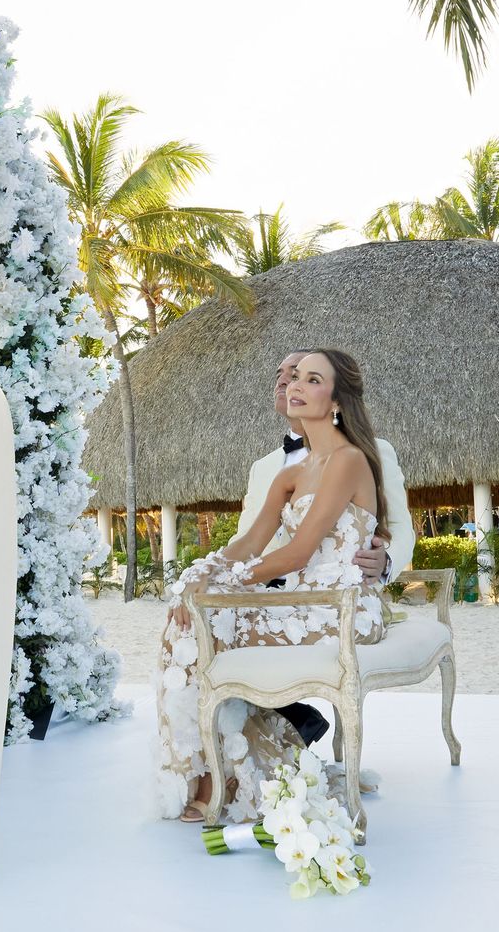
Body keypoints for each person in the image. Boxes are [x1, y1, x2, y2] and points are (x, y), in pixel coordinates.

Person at [156, 350, 394, 824]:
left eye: (311, 379)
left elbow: (301, 551)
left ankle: (215, 775)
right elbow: (248, 540)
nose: (294, 385)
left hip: (340, 603)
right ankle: (217, 765)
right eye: (292, 378)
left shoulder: (349, 460)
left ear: (337, 400)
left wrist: (221, 587)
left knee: (210, 619)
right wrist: (203, 573)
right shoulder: (288, 473)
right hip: (294, 598)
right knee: (187, 624)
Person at [230, 349, 415, 747]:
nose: (285, 380)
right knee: (211, 624)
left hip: (340, 592)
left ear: (332, 398)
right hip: (274, 592)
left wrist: (384, 561)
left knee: (217, 632)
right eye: (282, 375)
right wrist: (214, 573)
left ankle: (274, 749)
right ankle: (285, 734)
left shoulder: (371, 451)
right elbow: (246, 538)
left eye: (299, 374)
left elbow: (401, 528)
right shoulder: (267, 468)